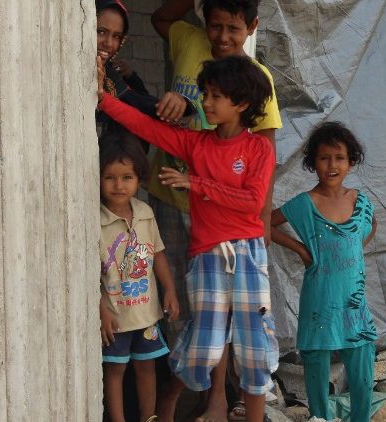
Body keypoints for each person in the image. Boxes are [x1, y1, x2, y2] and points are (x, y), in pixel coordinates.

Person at [97, 55, 279, 422]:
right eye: (205, 94)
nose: (205, 103)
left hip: (249, 254)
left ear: (241, 104)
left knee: (254, 346)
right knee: (205, 347)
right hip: (208, 256)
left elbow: (251, 203)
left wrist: (196, 184)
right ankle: (169, 400)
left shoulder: (259, 149)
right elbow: (146, 127)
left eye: (215, 96)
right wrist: (102, 97)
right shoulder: (197, 144)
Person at [150, 1, 282, 420]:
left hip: (226, 215)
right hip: (172, 196)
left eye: (234, 28)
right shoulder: (189, 38)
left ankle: (217, 401)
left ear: (252, 27)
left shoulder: (256, 79)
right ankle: (191, 394)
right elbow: (161, 18)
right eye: (216, 26)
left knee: (235, 318)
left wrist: (260, 219)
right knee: (197, 315)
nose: (223, 36)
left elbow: (266, 151)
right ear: (203, 22)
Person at [270, 122, 378, 422]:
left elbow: (372, 224)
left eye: (339, 158)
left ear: (351, 161)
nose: (332, 165)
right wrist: (302, 250)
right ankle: (320, 417)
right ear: (313, 162)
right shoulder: (305, 204)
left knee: (362, 366)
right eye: (324, 158)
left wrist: (355, 246)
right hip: (319, 300)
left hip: (353, 303)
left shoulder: (360, 201)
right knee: (316, 363)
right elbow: (265, 223)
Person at [98, 129, 181, 422]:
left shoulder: (145, 212)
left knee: (147, 367)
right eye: (110, 177)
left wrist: (169, 290)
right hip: (115, 318)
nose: (119, 185)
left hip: (146, 313)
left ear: (139, 179)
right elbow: (88, 275)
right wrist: (100, 310)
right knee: (115, 370)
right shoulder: (95, 219)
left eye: (127, 177)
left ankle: (149, 418)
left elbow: (157, 254)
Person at [96, 0, 190, 136]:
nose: (109, 43)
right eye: (101, 32)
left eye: (116, 36)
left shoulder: (110, 76)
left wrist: (181, 105)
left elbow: (141, 103)